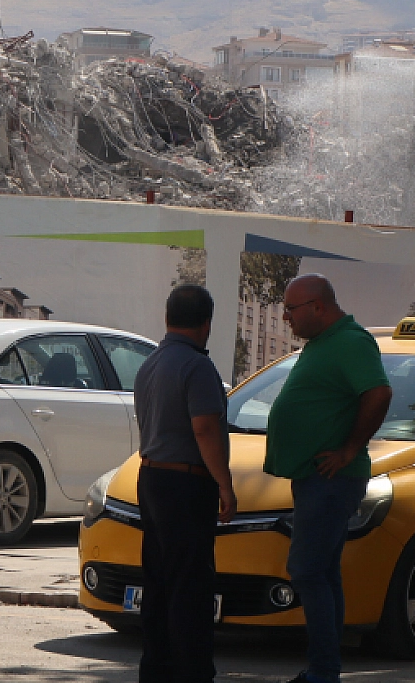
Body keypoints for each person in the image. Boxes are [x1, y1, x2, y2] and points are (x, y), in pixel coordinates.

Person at [262, 275, 392, 683]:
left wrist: (349, 449)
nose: (285, 318)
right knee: (323, 572)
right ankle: (325, 668)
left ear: (318, 306)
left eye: (291, 309)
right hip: (314, 478)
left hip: (332, 479)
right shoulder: (322, 343)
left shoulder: (352, 341)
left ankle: (323, 670)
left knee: (307, 571)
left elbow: (379, 393)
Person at [132, 284, 236, 683]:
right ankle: (193, 672)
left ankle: (156, 670)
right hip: (186, 485)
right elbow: (206, 429)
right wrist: (225, 485)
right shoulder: (197, 367)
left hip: (152, 477)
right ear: (207, 323)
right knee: (190, 588)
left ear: (167, 318)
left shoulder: (151, 363)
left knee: (157, 584)